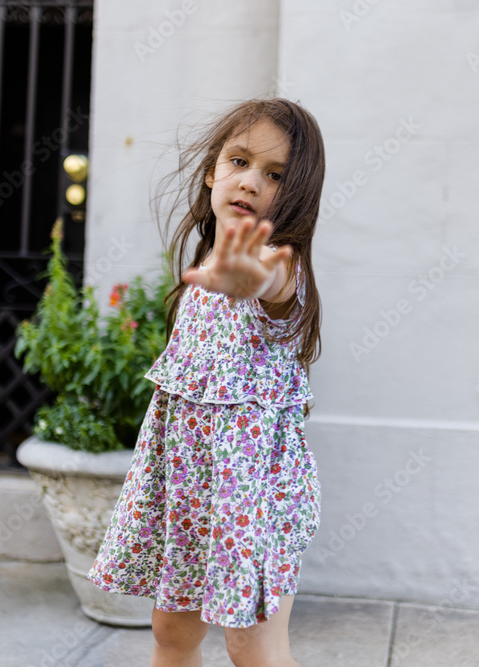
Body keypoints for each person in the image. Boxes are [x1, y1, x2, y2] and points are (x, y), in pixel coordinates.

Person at [86, 97, 326, 667]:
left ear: (294, 197)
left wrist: (253, 276)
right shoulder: (202, 277)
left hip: (255, 502)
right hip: (190, 498)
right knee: (170, 632)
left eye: (274, 175)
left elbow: (273, 281)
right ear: (212, 171)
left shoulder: (282, 266)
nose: (249, 182)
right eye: (239, 161)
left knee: (254, 645)